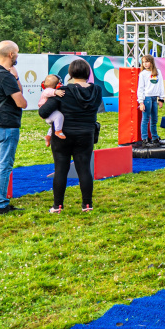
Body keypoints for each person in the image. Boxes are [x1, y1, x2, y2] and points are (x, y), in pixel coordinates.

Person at [39, 58, 103, 213]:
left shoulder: (63, 92)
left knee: (61, 169)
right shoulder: (97, 90)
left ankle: (57, 206)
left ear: (70, 73)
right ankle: (87, 205)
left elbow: (43, 112)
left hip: (63, 135)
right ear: (88, 73)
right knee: (84, 169)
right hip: (86, 134)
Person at [0, 41, 27, 215]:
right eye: (17, 52)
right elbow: (21, 102)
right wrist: (14, 78)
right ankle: (0, 204)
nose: (18, 55)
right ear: (11, 55)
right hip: (7, 125)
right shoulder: (5, 77)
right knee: (4, 166)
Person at [137, 55, 165, 147]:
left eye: (147, 62)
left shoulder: (158, 72)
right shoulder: (143, 74)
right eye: (143, 62)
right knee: (145, 119)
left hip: (154, 98)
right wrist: (141, 102)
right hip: (147, 98)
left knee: (154, 119)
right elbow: (140, 88)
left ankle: (155, 138)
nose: (145, 64)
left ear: (151, 62)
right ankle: (144, 139)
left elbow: (161, 86)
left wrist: (161, 98)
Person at [38, 75, 67, 146]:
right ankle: (58, 131)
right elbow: (48, 92)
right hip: (49, 114)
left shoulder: (47, 90)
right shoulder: (47, 91)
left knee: (53, 125)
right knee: (59, 116)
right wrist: (56, 92)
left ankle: (48, 136)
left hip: (49, 114)